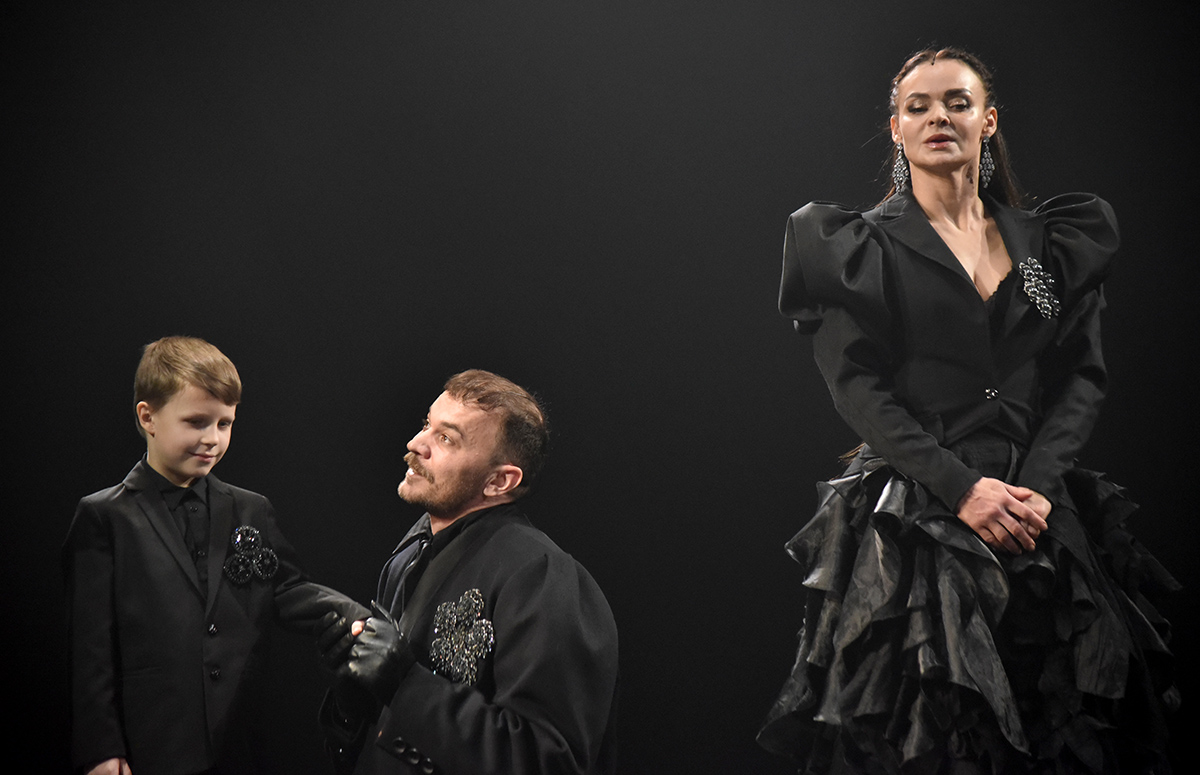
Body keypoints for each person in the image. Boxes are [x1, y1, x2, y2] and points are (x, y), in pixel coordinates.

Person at [757, 48, 1178, 773]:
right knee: (931, 729)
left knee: (1064, 722)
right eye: (917, 106)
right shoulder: (856, 247)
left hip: (1035, 507)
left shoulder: (1049, 241)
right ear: (896, 128)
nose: (938, 118)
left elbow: (1080, 377)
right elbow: (856, 386)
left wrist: (1036, 489)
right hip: (919, 510)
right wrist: (962, 489)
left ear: (988, 120)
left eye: (957, 102)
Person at [63, 336, 369, 775]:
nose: (212, 439)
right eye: (196, 422)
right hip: (152, 744)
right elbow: (90, 650)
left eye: (224, 424)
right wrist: (102, 749)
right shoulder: (106, 517)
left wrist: (351, 613)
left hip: (239, 741)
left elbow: (287, 589)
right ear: (148, 417)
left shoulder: (251, 509)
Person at [317, 369, 619, 775]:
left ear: (499, 481)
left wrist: (405, 684)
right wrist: (354, 698)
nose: (416, 443)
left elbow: (549, 762)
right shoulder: (410, 553)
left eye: (447, 438)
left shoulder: (543, 575)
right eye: (427, 424)